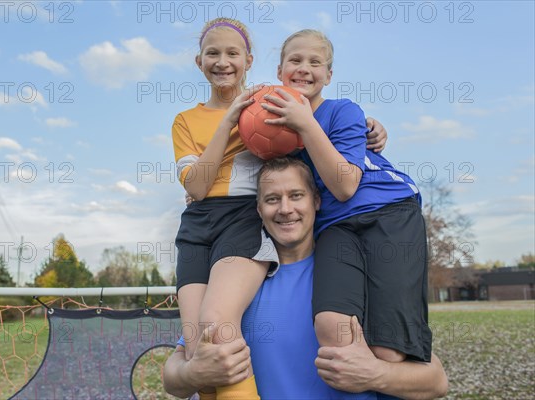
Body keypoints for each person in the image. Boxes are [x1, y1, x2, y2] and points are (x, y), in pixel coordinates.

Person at [171, 19, 388, 399]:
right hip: (198, 223)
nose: (223, 61)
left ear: (249, 60)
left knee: (216, 322)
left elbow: (312, 132)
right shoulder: (186, 120)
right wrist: (227, 122)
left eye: (232, 53)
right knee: (197, 353)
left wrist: (366, 127)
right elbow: (198, 186)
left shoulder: (267, 102)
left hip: (241, 217)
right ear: (198, 60)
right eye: (213, 53)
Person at [163, 157, 448, 399]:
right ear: (259, 210)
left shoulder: (353, 276)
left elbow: (436, 380)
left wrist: (377, 375)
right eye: (272, 199)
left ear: (317, 201)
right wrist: (192, 373)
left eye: (296, 195)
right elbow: (172, 376)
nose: (285, 209)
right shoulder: (234, 284)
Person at [262, 29, 432, 364]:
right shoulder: (268, 125)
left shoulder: (343, 111)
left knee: (388, 350)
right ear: (279, 70)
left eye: (315, 62)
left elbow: (344, 187)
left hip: (388, 212)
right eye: (295, 60)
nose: (304, 68)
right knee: (331, 328)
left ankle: (399, 378)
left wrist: (307, 124)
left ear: (328, 74)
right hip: (334, 226)